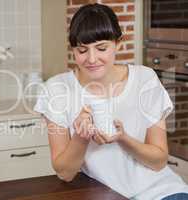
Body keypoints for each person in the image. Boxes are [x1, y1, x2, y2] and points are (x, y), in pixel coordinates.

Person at [34, 3, 188, 200]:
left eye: (101, 48)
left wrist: (123, 139)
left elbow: (158, 161)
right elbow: (65, 173)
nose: (92, 58)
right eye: (82, 50)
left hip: (163, 192)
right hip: (106, 195)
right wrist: (81, 138)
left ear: (118, 43)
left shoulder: (145, 79)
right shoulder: (57, 90)